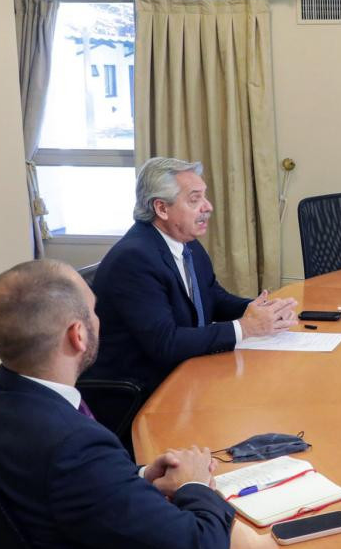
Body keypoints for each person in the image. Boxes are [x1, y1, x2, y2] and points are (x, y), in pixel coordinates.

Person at [0, 260, 236, 549]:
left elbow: (74, 490)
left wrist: (139, 478)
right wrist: (195, 484)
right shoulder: (73, 447)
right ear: (78, 335)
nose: (100, 320)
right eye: (94, 311)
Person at [87, 157, 296, 396]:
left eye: (204, 197)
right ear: (161, 208)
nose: (208, 207)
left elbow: (213, 297)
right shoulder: (134, 259)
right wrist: (245, 327)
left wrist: (263, 310)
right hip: (142, 391)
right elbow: (166, 343)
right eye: (195, 199)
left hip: (184, 372)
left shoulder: (185, 242)